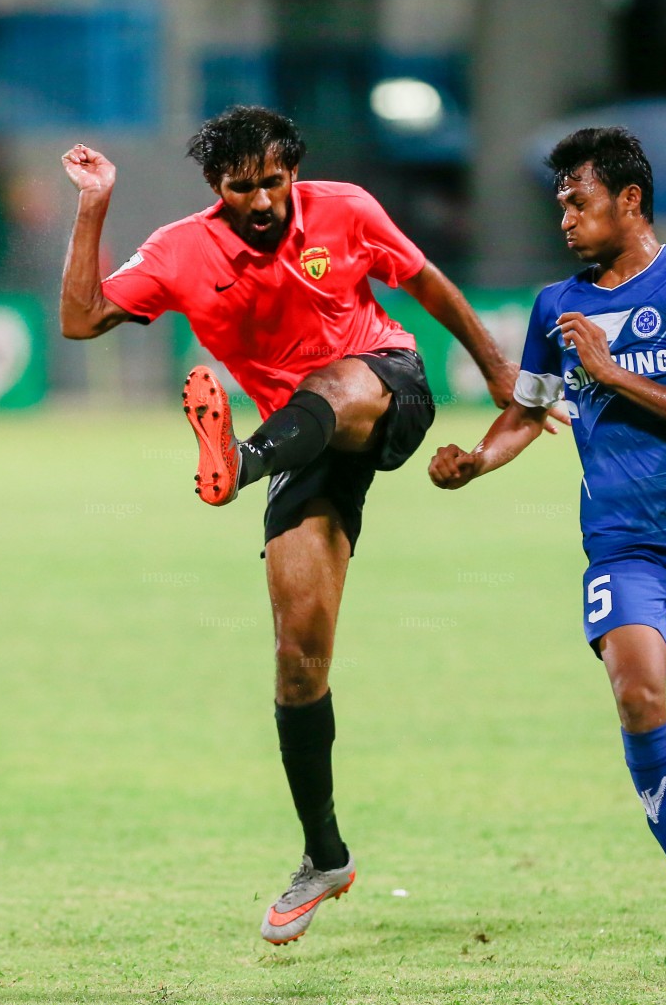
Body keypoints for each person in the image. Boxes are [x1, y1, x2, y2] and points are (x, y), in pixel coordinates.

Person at [58, 106, 544, 944]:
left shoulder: (346, 209)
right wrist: (94, 205)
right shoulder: (181, 250)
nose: (259, 200)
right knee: (297, 660)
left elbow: (427, 284)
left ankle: (239, 464)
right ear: (217, 189)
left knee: (341, 382)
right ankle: (325, 856)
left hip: (384, 387)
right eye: (240, 187)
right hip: (302, 446)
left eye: (272, 181)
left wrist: (497, 367)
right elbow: (80, 319)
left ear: (293, 171)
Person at [428, 127, 666, 978]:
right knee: (637, 696)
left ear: (629, 201)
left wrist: (612, 371)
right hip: (623, 544)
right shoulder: (554, 305)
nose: (563, 215)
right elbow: (529, 410)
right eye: (559, 200)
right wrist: (477, 460)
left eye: (578, 199)